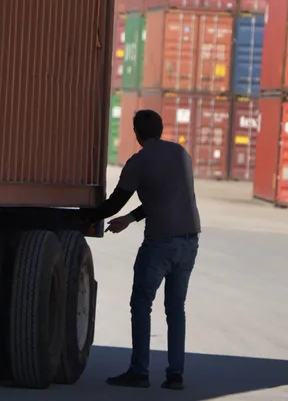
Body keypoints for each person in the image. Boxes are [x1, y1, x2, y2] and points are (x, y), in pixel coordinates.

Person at [81, 109, 201, 391]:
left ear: (136, 133)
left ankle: (139, 371)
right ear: (161, 129)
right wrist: (131, 219)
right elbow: (167, 198)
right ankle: (175, 375)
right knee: (175, 308)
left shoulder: (138, 162)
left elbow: (113, 204)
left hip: (160, 243)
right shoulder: (181, 154)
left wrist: (83, 217)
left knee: (141, 305)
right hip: (189, 242)